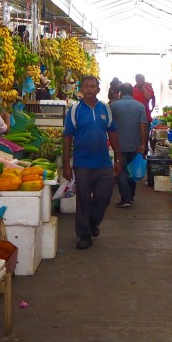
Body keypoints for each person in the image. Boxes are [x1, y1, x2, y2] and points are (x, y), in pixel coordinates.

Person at [62, 76, 120, 249]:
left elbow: (113, 133)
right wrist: (66, 164)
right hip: (82, 164)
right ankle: (84, 234)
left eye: (92, 86)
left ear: (98, 90)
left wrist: (118, 158)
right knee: (83, 199)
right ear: (81, 89)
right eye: (86, 86)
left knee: (104, 197)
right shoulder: (75, 110)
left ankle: (93, 222)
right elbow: (67, 137)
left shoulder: (105, 109)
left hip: (103, 163)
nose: (89, 89)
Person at [109, 82, 148, 208]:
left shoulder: (113, 106)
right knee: (132, 170)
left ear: (120, 92)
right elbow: (143, 126)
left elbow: (109, 127)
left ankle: (125, 198)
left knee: (120, 170)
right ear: (132, 92)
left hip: (118, 146)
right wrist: (143, 143)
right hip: (135, 145)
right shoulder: (140, 106)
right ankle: (130, 196)